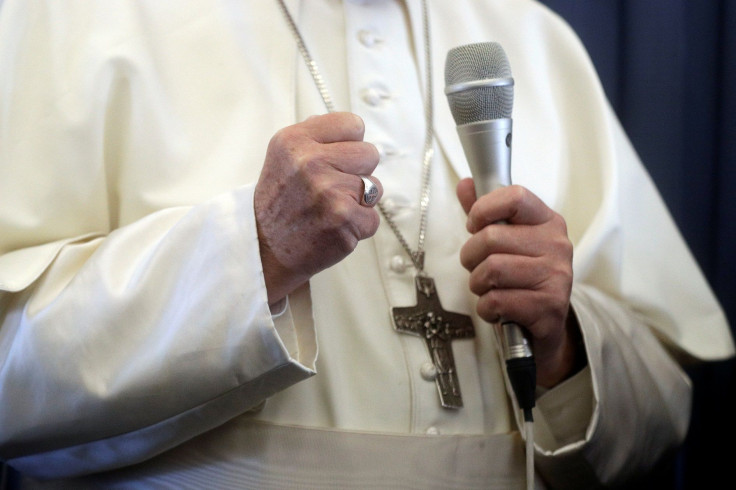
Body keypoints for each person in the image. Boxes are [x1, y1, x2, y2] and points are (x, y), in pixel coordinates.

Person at [0, 0, 732, 488]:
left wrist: (563, 345)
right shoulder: (73, 16)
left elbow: (666, 401)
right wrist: (251, 252)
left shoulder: (528, 33)